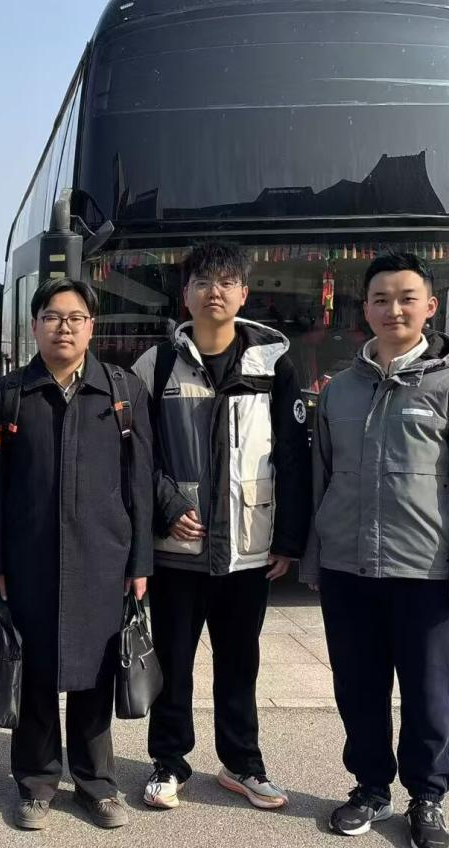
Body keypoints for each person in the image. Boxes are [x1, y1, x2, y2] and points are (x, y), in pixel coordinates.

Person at [300, 252, 449, 848]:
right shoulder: (341, 389)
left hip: (426, 575)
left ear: (430, 307)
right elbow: (321, 478)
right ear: (364, 309)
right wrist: (315, 557)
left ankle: (427, 796)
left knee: (429, 693)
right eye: (381, 299)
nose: (394, 309)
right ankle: (370, 787)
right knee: (357, 687)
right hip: (348, 568)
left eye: (407, 298)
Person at [131, 241, 310, 812]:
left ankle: (242, 763)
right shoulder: (156, 365)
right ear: (185, 294)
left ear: (244, 293)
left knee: (240, 662)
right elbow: (135, 451)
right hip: (176, 548)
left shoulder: (272, 365)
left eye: (227, 282)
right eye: (203, 282)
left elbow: (293, 455)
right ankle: (169, 761)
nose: (216, 292)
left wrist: (289, 540)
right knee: (174, 662)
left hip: (247, 548)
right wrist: (165, 503)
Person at [0, 277, 152, 831]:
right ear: (34, 326)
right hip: (29, 560)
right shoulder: (8, 394)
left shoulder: (121, 390)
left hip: (103, 558)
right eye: (53, 317)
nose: (64, 327)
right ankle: (35, 784)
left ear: (91, 327)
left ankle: (96, 784)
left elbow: (140, 481)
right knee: (32, 670)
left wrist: (140, 563)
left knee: (96, 675)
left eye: (76, 318)